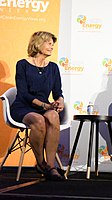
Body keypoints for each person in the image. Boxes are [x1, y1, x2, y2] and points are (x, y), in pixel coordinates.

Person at [10, 31, 65, 181]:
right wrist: (44, 105)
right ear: (38, 43)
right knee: (39, 120)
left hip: (44, 107)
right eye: (49, 43)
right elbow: (23, 93)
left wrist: (59, 101)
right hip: (23, 106)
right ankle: (41, 163)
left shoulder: (53, 67)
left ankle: (51, 166)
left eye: (53, 44)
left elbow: (58, 92)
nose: (52, 47)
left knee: (53, 116)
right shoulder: (22, 64)